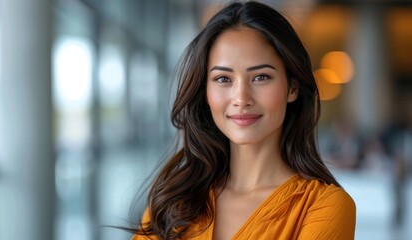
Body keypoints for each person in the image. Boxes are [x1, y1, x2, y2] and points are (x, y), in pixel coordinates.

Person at [131, 1, 356, 239]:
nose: (241, 98)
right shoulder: (173, 202)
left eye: (260, 77)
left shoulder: (323, 207)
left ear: (292, 88)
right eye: (223, 79)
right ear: (204, 92)